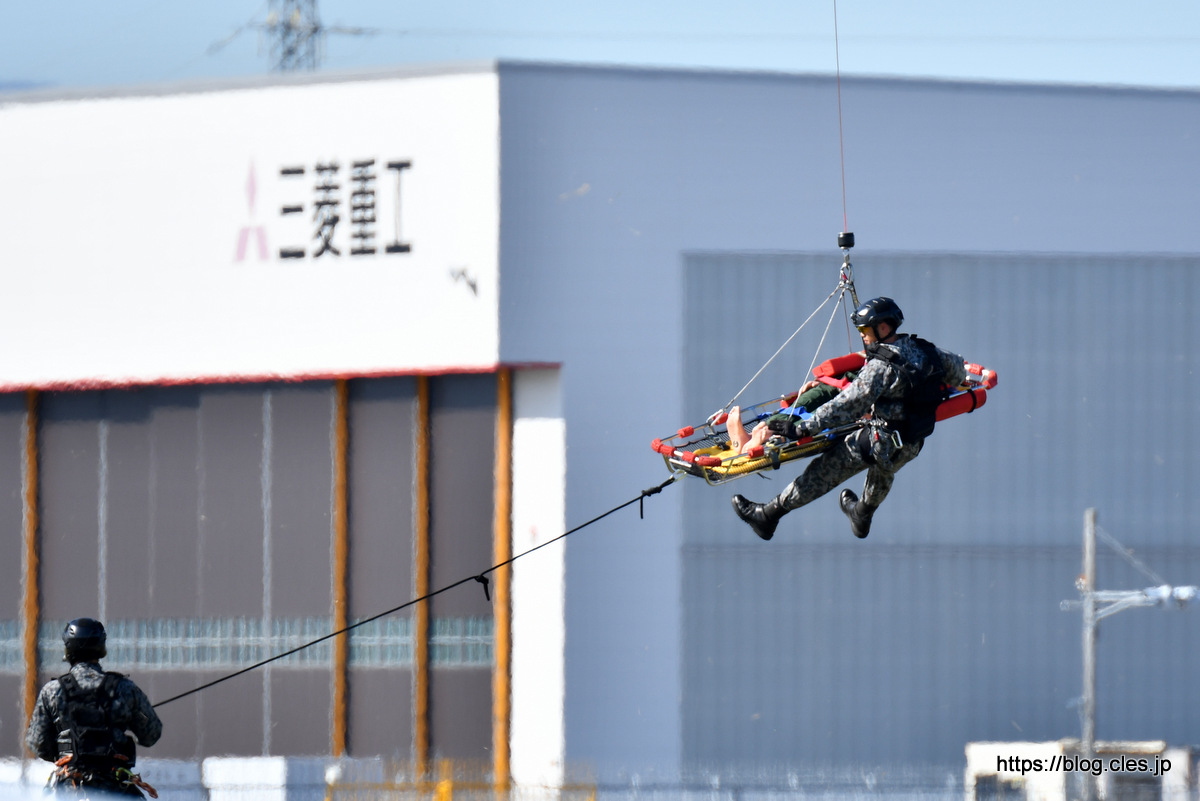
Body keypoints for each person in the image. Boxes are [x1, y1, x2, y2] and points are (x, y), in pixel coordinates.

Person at [731, 297, 967, 540]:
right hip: (913, 440)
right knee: (883, 472)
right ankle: (862, 513)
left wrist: (804, 428)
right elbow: (959, 371)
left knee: (824, 472)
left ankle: (767, 516)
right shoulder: (927, 351)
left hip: (880, 440)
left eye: (865, 329)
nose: (862, 335)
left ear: (883, 327)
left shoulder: (881, 367)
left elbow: (847, 404)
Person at [26, 618, 162, 798]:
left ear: (68, 648)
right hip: (116, 789)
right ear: (101, 646)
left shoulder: (52, 691)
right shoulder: (125, 688)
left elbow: (38, 743)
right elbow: (151, 734)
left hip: (71, 789)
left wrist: (66, 754)